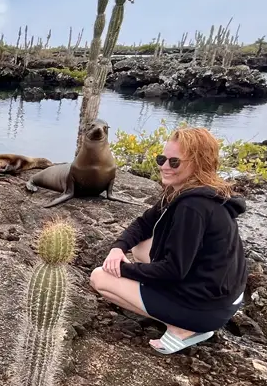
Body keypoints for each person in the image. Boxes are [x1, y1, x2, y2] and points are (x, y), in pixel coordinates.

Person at [89, 126, 248, 354]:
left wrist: (124, 270)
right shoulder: (187, 190)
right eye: (162, 159)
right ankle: (173, 309)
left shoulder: (193, 207)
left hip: (206, 307)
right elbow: (144, 223)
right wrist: (118, 248)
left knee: (100, 278)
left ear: (198, 163)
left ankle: (183, 328)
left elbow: (173, 271)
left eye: (174, 162)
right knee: (140, 245)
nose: (164, 166)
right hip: (220, 292)